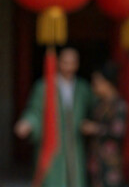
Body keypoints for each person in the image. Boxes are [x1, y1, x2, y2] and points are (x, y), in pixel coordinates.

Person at [14, 47, 93, 187]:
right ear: (58, 63)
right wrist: (28, 123)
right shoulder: (44, 86)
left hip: (75, 144)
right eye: (65, 62)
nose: (69, 66)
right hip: (53, 142)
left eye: (72, 62)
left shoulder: (83, 88)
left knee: (76, 177)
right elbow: (35, 110)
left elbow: (94, 111)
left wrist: (90, 125)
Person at [82, 63, 127, 187]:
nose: (94, 86)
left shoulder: (119, 105)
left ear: (107, 83)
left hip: (110, 161)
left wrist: (94, 129)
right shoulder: (99, 104)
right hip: (95, 159)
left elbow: (118, 131)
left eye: (97, 82)